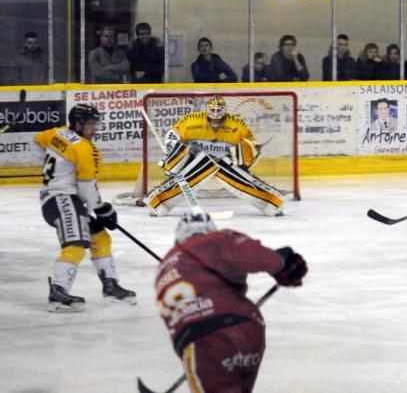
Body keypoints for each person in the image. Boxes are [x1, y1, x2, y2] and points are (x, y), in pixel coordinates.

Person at [155, 213, 307, 393]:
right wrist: (282, 264)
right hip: (248, 329)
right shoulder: (220, 239)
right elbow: (254, 255)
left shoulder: (163, 269)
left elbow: (175, 322)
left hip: (201, 340)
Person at [33, 104, 136, 312]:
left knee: (99, 236)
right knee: (76, 242)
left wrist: (49, 172)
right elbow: (87, 186)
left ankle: (111, 286)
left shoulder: (57, 132)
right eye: (90, 124)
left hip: (60, 198)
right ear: (78, 124)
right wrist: (101, 209)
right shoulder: (84, 148)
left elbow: (37, 140)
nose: (95, 129)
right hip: (61, 198)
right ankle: (58, 292)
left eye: (95, 123)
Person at [143, 96, 285, 217]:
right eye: (213, 110)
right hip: (196, 159)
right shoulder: (191, 121)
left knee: (242, 179)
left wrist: (244, 160)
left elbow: (251, 144)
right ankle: (158, 202)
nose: (216, 114)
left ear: (224, 111)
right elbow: (174, 133)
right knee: (187, 177)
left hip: (226, 160)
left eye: (219, 111)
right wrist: (172, 149)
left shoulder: (237, 124)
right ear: (207, 110)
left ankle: (271, 201)